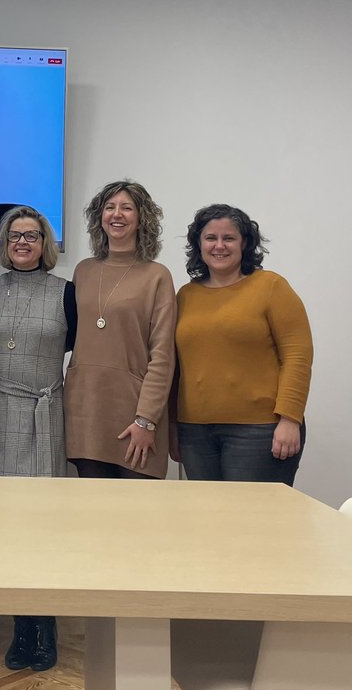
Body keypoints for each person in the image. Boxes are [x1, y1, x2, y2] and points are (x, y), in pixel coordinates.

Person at [0, 206, 77, 673]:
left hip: (45, 415)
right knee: (6, 527)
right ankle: (21, 628)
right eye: (14, 236)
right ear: (4, 243)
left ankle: (44, 626)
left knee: (44, 527)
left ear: (46, 243)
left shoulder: (68, 294)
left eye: (32, 236)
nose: (22, 243)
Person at [171, 204, 313, 485]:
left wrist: (290, 419)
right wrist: (172, 427)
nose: (219, 246)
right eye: (211, 238)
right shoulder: (185, 295)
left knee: (254, 524)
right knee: (208, 521)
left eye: (229, 238)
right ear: (198, 244)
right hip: (195, 433)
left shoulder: (271, 287)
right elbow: (175, 367)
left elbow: (297, 356)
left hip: (260, 431)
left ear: (245, 243)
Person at [63, 180, 176, 480]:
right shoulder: (83, 271)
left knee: (135, 521)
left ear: (142, 219)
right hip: (86, 413)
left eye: (127, 208)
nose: (117, 214)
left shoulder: (157, 276)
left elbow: (162, 357)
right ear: (99, 217)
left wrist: (146, 420)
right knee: (92, 518)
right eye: (110, 207)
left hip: (135, 416)